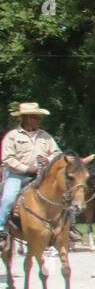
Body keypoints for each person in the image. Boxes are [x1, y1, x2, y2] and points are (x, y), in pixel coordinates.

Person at [1, 102, 60, 239]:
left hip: (43, 174)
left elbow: (57, 153)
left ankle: (68, 228)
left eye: (39, 118)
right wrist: (27, 168)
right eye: (37, 117)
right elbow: (7, 158)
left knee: (64, 194)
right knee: (8, 198)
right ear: (27, 118)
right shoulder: (12, 136)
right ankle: (1, 227)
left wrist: (49, 159)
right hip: (18, 175)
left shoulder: (45, 136)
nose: (39, 121)